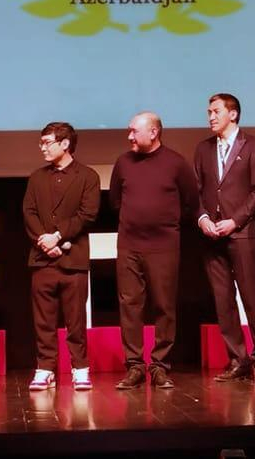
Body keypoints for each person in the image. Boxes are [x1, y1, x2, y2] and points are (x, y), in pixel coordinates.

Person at [109, 111, 200, 389]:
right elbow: (115, 201)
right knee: (130, 306)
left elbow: (191, 201)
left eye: (134, 131)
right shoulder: (123, 162)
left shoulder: (176, 163)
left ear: (153, 132)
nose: (129, 136)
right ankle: (135, 366)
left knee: (164, 307)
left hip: (163, 247)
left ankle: (160, 366)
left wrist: (165, 223)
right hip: (129, 245)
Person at [194, 93, 255, 383]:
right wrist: (203, 218)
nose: (211, 117)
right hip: (211, 236)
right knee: (222, 299)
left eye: (216, 111)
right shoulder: (203, 149)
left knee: (251, 297)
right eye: (209, 112)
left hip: (241, 233)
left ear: (233, 114)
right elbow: (196, 190)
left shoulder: (253, 145)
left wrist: (235, 221)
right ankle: (238, 359)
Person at [22, 122, 100, 391]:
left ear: (65, 144)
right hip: (42, 259)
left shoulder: (87, 176)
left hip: (73, 260)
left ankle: (80, 368)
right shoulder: (36, 177)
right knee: (43, 320)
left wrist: (58, 236)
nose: (42, 148)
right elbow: (29, 213)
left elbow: (87, 214)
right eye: (41, 143)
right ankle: (45, 368)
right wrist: (44, 242)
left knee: (75, 320)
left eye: (47, 142)